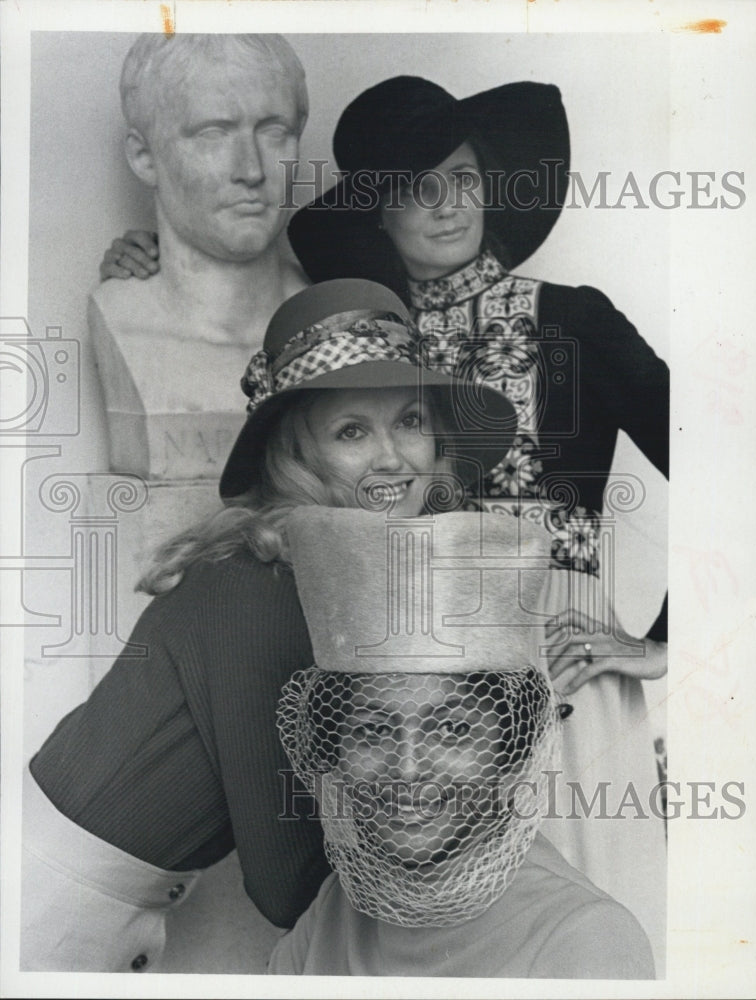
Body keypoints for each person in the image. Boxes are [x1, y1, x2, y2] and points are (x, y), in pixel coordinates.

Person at [104, 75, 669, 966]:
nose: (446, 207)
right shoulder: (360, 332)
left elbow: (733, 461)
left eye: (463, 176)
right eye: (413, 187)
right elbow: (221, 301)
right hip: (406, 688)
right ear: (378, 214)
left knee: (581, 931)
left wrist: (667, 639)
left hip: (560, 668)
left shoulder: (573, 320)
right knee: (412, 921)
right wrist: (146, 256)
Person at [22, 279, 518, 972]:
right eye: (352, 431)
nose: (392, 458)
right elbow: (287, 884)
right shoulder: (268, 586)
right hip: (37, 909)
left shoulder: (324, 576)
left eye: (409, 420)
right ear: (297, 456)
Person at [268, 506, 655, 978]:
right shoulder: (335, 906)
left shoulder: (585, 938)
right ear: (333, 750)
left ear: (512, 752)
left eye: (451, 730)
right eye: (372, 730)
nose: (407, 767)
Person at [89, 33, 310, 478]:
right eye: (213, 133)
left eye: (274, 132)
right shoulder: (123, 320)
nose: (251, 170)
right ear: (143, 157)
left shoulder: (336, 318)